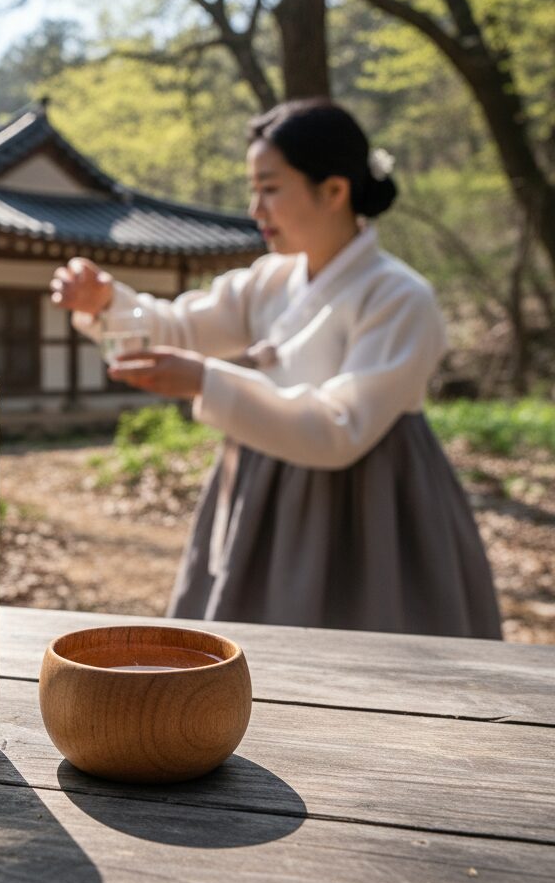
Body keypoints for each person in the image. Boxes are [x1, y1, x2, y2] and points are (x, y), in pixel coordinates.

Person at [50, 99, 502, 639]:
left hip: (372, 503)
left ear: (334, 190)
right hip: (259, 494)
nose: (254, 208)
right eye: (253, 188)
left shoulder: (400, 297)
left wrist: (206, 380)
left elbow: (342, 428)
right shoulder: (268, 280)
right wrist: (106, 302)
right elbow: (178, 327)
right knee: (250, 653)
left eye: (269, 188)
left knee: (374, 655)